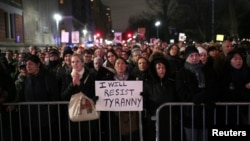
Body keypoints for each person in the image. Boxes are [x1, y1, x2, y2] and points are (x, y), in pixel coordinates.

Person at [176, 46, 218, 141]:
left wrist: (204, 97)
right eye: (191, 56)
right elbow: (181, 91)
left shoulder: (208, 71)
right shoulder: (181, 73)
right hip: (190, 114)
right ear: (186, 57)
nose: (194, 57)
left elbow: (213, 87)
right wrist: (195, 98)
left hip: (206, 113)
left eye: (196, 55)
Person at [19, 55, 60, 141]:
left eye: (30, 64)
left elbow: (54, 96)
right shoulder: (27, 79)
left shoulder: (47, 77)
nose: (28, 67)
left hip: (45, 119)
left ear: (38, 64)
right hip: (30, 117)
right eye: (26, 65)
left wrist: (48, 113)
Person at [61, 53, 98, 141]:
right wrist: (72, 84)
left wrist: (80, 84)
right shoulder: (67, 76)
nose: (75, 64)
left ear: (82, 63)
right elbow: (63, 96)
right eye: (73, 62)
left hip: (88, 115)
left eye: (77, 61)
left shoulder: (91, 75)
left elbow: (93, 94)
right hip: (74, 114)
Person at [143, 56, 179, 141]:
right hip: (154, 119)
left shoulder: (172, 83)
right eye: (158, 68)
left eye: (163, 68)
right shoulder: (148, 84)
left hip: (170, 119)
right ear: (154, 70)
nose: (161, 70)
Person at [218, 48, 250, 125]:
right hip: (229, 111)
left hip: (245, 111)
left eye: (240, 59)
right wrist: (244, 88)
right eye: (235, 59)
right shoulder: (225, 74)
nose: (238, 61)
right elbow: (224, 92)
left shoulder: (247, 72)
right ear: (230, 60)